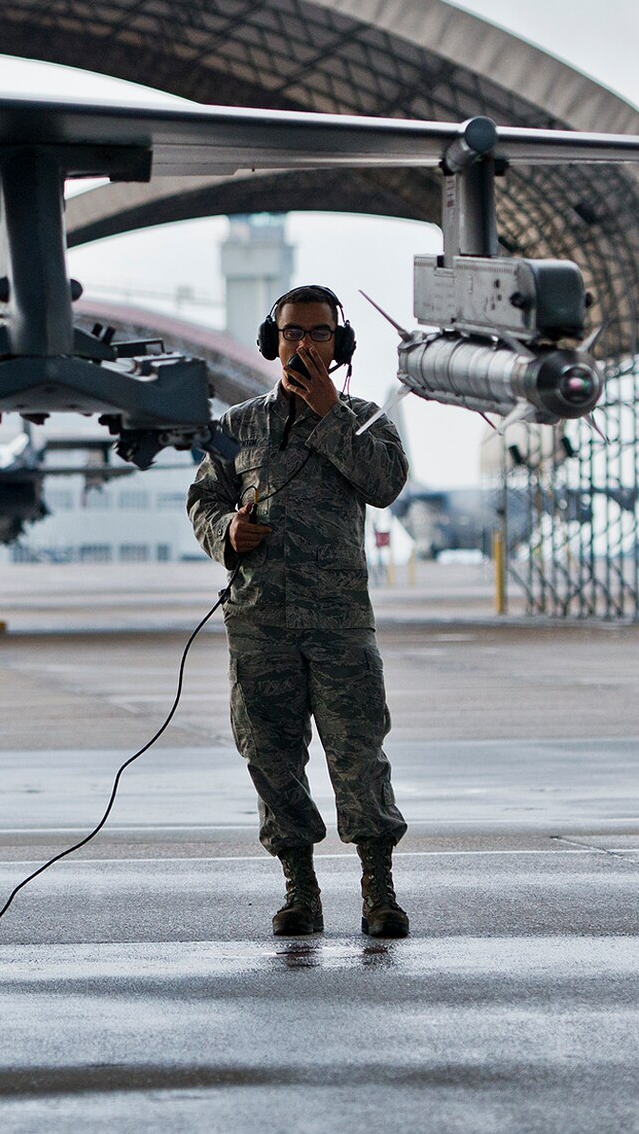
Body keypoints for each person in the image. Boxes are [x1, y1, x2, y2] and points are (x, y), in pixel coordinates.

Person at [187, 285, 411, 938]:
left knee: (358, 753)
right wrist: (225, 533)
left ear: (338, 346)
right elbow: (203, 499)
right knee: (270, 754)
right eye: (292, 332)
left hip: (338, 619)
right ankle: (300, 889)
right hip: (261, 619)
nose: (304, 344)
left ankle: (379, 889)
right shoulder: (236, 426)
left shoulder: (365, 419)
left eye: (318, 333)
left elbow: (386, 482)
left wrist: (330, 412)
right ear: (272, 340)